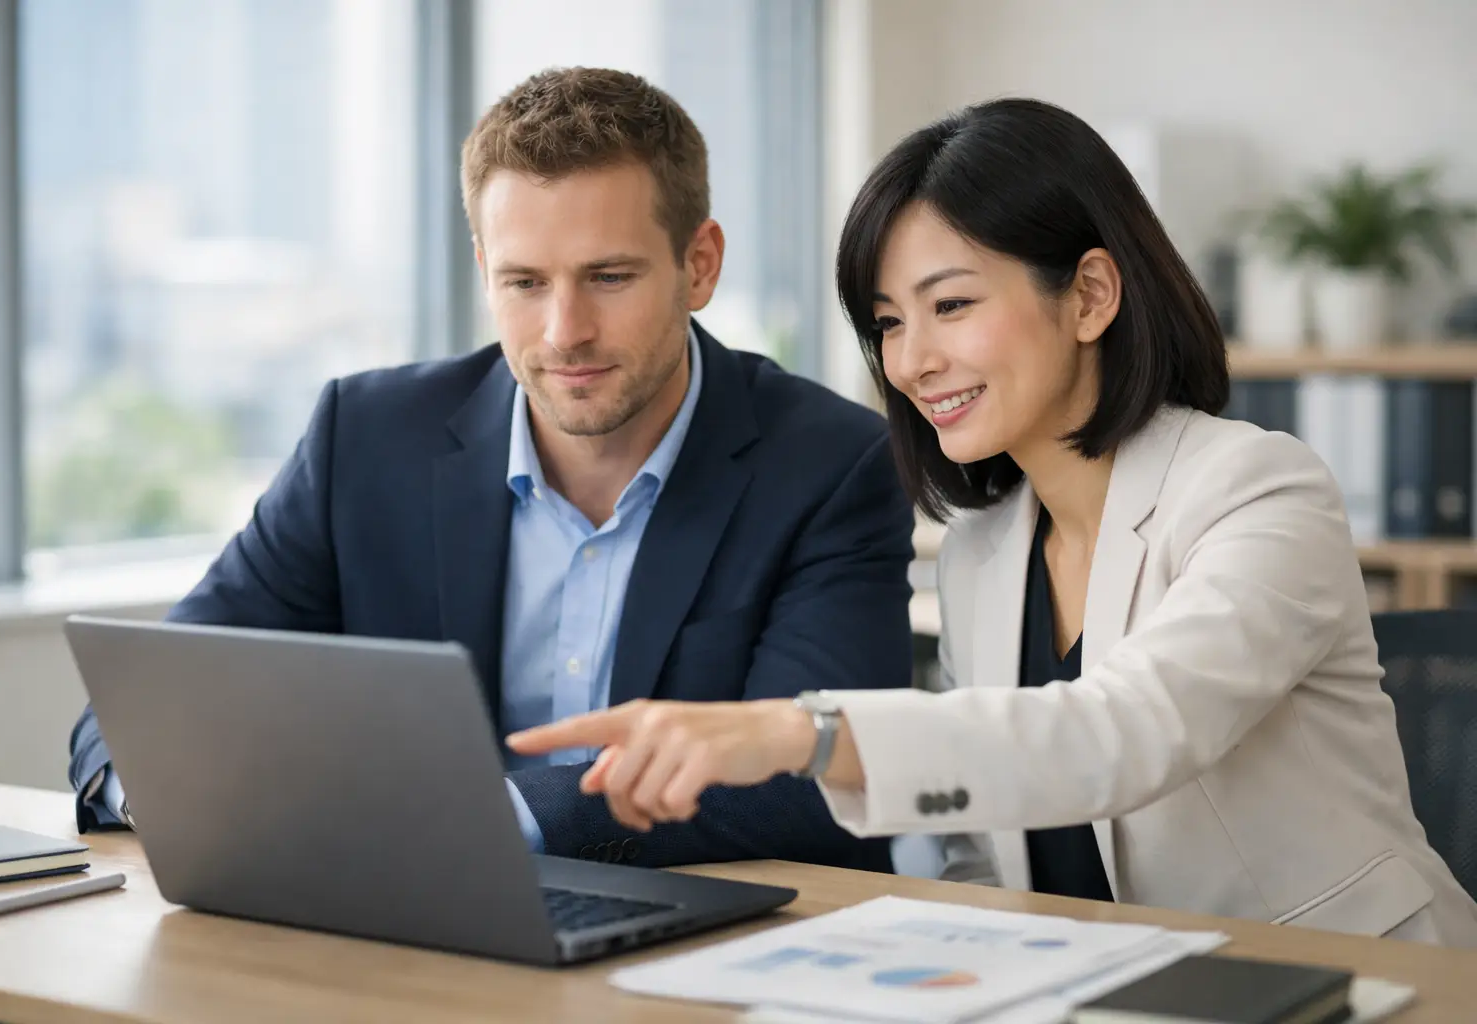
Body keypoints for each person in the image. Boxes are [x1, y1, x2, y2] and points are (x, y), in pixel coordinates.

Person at [509, 98, 1477, 944]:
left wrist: (792, 733)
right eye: (889, 321)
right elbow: (981, 853)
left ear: (1091, 295)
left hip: (1358, 982)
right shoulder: (981, 552)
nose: (913, 360)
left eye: (953, 304)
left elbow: (1125, 731)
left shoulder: (1261, 491)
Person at [67, 67, 916, 873]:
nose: (563, 332)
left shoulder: (828, 464)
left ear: (699, 265)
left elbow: (811, 780)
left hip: (710, 953)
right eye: (524, 282)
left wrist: (469, 818)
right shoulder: (362, 442)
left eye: (608, 277)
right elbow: (145, 705)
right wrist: (166, 789)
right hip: (400, 935)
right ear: (483, 270)